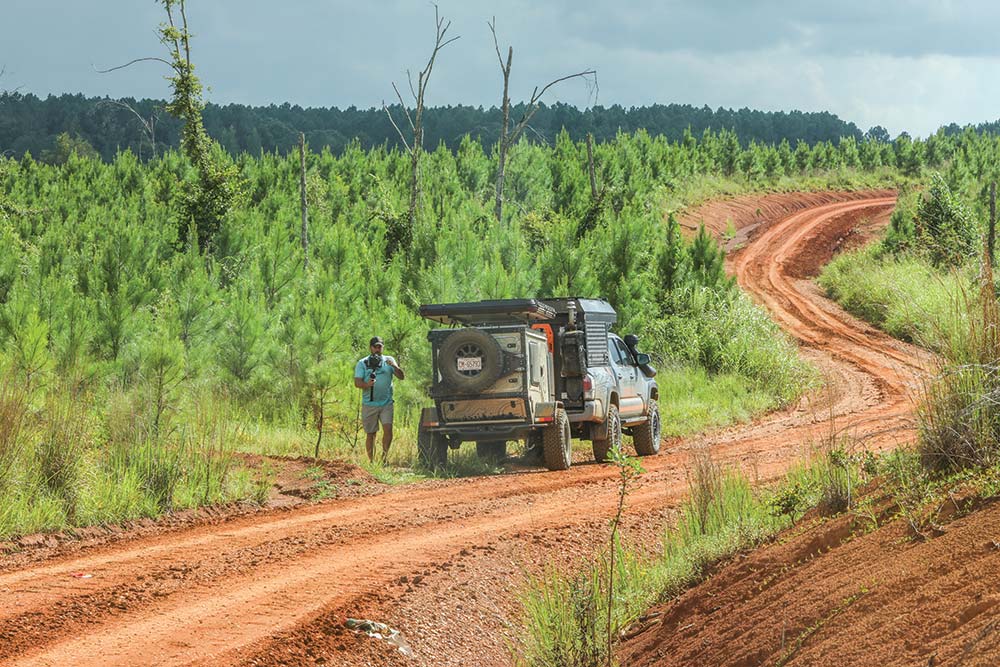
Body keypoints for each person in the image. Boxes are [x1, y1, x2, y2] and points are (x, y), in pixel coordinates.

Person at [353, 336, 404, 463]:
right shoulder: (363, 363)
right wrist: (367, 385)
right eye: (375, 346)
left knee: (388, 430)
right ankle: (371, 461)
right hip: (369, 404)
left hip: (386, 403)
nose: (377, 349)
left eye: (380, 346)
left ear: (382, 347)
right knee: (371, 434)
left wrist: (395, 367)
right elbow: (357, 382)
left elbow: (401, 377)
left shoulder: (389, 360)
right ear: (370, 348)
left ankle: (384, 457)